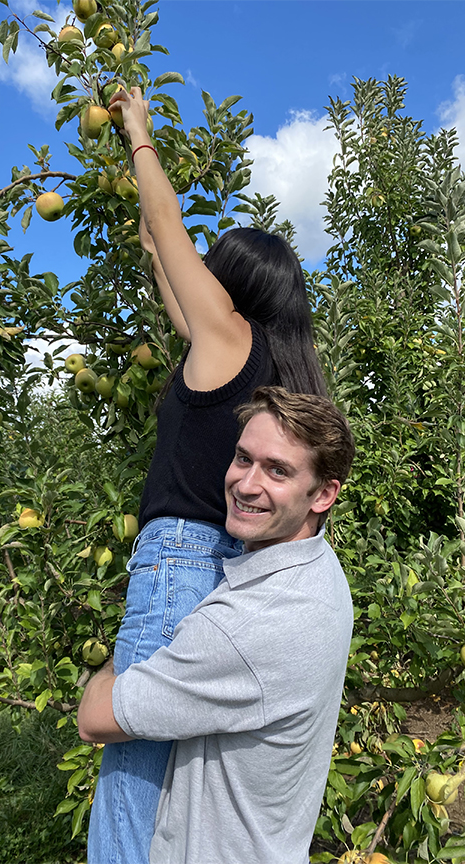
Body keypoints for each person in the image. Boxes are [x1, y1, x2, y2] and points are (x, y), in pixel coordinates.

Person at [87, 85, 328, 864]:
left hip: (175, 565)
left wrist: (139, 136)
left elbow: (169, 232)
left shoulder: (228, 337)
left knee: (128, 785)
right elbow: (164, 255)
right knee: (160, 784)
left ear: (231, 285)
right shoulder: (257, 364)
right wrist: (153, 240)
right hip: (212, 567)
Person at [78, 386, 355, 864]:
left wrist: (131, 651)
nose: (247, 484)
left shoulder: (246, 627)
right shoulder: (322, 575)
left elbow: (93, 719)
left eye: (278, 470)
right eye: (243, 458)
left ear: (323, 494)